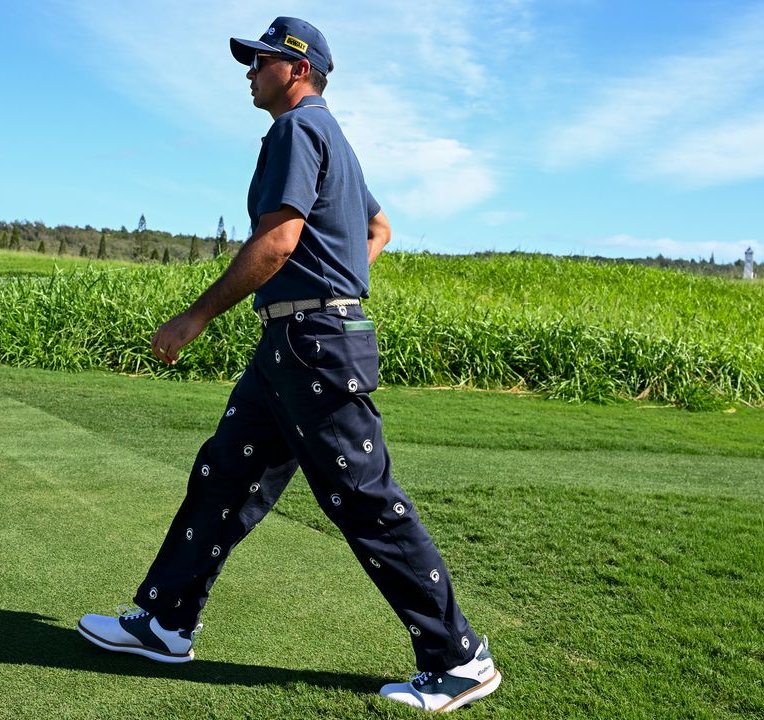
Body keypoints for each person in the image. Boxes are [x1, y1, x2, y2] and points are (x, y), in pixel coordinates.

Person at [76, 17, 500, 713]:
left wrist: (196, 316)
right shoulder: (331, 137)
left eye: (260, 61)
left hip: (314, 344)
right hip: (293, 345)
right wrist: (336, 275)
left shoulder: (297, 131)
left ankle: (459, 658)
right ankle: (166, 624)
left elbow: (277, 240)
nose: (249, 71)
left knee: (361, 497)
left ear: (297, 69)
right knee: (224, 475)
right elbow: (377, 230)